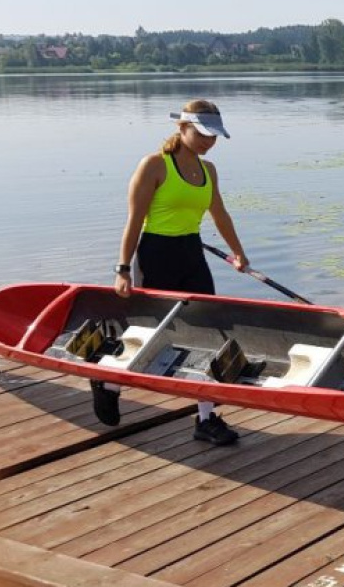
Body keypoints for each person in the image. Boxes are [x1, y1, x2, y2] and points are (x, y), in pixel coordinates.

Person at [99, 99, 249, 446]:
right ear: (182, 127)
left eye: (213, 137)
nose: (208, 142)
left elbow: (220, 215)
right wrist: (122, 270)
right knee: (151, 333)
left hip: (191, 254)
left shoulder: (208, 170)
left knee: (211, 334)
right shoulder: (154, 166)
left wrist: (239, 253)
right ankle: (108, 383)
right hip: (155, 254)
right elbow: (134, 221)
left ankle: (206, 419)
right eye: (202, 134)